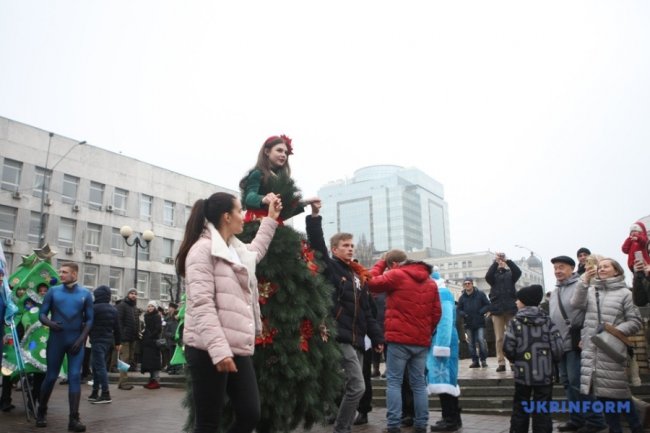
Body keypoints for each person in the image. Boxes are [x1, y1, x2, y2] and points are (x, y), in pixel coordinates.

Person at [237, 135, 343, 433]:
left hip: (278, 234)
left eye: (286, 152)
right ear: (267, 151)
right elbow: (249, 198)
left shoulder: (281, 179)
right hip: (256, 232)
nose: (283, 155)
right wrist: (264, 200)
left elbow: (282, 212)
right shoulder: (258, 175)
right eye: (278, 150)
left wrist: (305, 205)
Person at [178, 191, 280, 433]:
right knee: (208, 423)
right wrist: (219, 351)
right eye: (239, 211)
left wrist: (271, 218)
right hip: (207, 348)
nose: (243, 216)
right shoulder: (202, 251)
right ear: (226, 216)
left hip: (235, 347)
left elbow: (256, 251)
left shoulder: (234, 249)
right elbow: (201, 305)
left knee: (249, 413)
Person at [306, 201, 384, 433]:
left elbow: (368, 313)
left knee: (353, 386)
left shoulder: (357, 276)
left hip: (357, 338)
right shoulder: (331, 268)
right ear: (335, 249)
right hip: (339, 336)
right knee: (358, 387)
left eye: (352, 245)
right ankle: (341, 428)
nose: (351, 249)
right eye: (345, 245)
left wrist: (377, 338)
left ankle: (343, 425)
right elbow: (317, 246)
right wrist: (315, 217)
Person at [366, 249, 441, 433]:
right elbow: (436, 313)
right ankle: (421, 423)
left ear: (392, 264)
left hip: (398, 340)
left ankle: (393, 425)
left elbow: (370, 282)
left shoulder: (397, 275)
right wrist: (425, 332)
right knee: (418, 384)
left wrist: (380, 263)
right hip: (421, 342)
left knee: (394, 382)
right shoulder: (430, 282)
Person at [571, 258, 643, 433]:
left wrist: (612, 331)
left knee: (620, 394)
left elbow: (635, 322)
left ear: (616, 271)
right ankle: (615, 429)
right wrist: (584, 281)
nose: (601, 269)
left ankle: (636, 428)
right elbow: (575, 304)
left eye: (606, 266)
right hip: (591, 349)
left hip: (611, 349)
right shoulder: (590, 290)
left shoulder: (625, 293)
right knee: (602, 395)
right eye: (600, 266)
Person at [549, 255, 607, 433]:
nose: (558, 270)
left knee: (579, 384)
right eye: (555, 268)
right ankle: (577, 419)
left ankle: (596, 421)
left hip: (577, 343)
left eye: (562, 267)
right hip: (561, 346)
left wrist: (586, 336)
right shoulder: (555, 291)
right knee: (567, 384)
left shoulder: (581, 286)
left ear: (572, 269)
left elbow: (591, 313)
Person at [36, 262, 93, 432]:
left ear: (74, 274)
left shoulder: (85, 293)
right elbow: (42, 314)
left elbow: (90, 319)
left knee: (75, 376)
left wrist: (82, 339)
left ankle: (73, 419)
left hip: (76, 341)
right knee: (51, 376)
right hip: (57, 340)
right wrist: (51, 324)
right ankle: (41, 411)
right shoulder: (53, 291)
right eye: (60, 271)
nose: (60, 274)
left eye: (64, 272)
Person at [504, 284, 563, 433]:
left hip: (522, 374)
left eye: (518, 300)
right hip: (545, 374)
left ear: (524, 301)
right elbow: (557, 348)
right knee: (542, 409)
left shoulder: (515, 322)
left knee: (520, 407)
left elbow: (508, 348)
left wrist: (515, 360)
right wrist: (552, 362)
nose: (516, 302)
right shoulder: (548, 321)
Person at [427, 272, 462, 432]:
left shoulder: (442, 294)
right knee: (448, 381)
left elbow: (445, 321)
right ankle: (453, 417)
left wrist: (441, 346)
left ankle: (450, 419)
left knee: (444, 381)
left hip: (443, 344)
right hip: (442, 342)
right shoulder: (440, 293)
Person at [484, 252, 521, 372]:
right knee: (499, 338)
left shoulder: (511, 275)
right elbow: (488, 275)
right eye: (499, 261)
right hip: (497, 310)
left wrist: (507, 260)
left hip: (510, 309)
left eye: (502, 261)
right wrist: (495, 262)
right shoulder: (493, 277)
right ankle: (501, 362)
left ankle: (513, 362)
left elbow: (518, 272)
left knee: (512, 337)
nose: (500, 262)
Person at [88, 285, 121, 404]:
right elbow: (117, 328)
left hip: (97, 340)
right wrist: (118, 342)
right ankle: (95, 392)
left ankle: (105, 393)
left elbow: (87, 324)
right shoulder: (113, 309)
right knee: (98, 366)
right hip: (108, 341)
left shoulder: (94, 308)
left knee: (99, 367)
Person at [457, 277, 490, 368]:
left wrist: (481, 312)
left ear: (472, 284)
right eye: (465, 284)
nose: (467, 285)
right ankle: (475, 361)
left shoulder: (480, 294)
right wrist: (464, 314)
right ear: (464, 286)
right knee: (471, 343)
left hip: (479, 322)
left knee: (481, 340)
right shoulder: (462, 297)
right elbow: (459, 309)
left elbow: (488, 305)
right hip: (468, 323)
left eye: (469, 283)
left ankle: (483, 360)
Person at [116, 288, 139, 390]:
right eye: (131, 293)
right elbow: (119, 322)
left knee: (128, 360)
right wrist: (120, 337)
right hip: (125, 338)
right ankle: (122, 382)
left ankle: (124, 381)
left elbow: (136, 322)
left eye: (135, 294)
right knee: (124, 360)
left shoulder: (133, 307)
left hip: (132, 337)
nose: (133, 295)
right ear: (128, 294)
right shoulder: (122, 305)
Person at [141, 300, 162, 390]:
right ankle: (151, 380)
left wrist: (151, 336)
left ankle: (155, 381)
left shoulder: (157, 316)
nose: (150, 308)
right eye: (149, 306)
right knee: (149, 362)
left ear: (155, 307)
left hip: (153, 342)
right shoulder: (146, 316)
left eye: (152, 306)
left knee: (154, 361)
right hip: (147, 342)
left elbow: (158, 329)